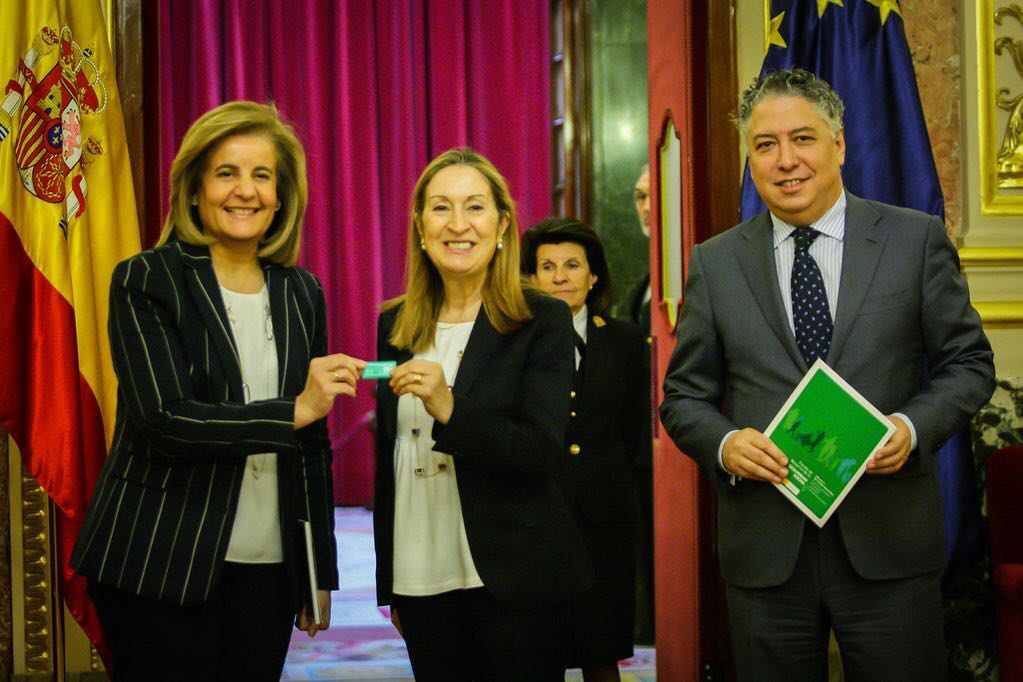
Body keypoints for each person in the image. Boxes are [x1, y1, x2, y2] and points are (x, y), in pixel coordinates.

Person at [659, 68, 995, 681]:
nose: (785, 160)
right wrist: (727, 444)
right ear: (751, 158)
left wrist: (911, 429)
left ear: (839, 144)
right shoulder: (716, 261)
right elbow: (683, 396)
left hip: (888, 543)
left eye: (802, 139)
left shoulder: (913, 240)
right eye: (765, 144)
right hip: (767, 552)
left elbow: (969, 364)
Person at [71, 101, 364, 681]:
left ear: (281, 197)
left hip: (269, 568)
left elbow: (311, 445)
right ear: (195, 189)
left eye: (262, 175)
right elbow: (167, 421)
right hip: (159, 558)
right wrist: (294, 410)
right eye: (226, 173)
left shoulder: (302, 292)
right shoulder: (146, 280)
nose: (245, 191)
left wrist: (316, 570)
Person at [374, 148, 594, 681]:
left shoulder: (540, 317)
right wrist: (390, 583)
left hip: (513, 574)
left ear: (501, 225)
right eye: (440, 207)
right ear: (420, 227)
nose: (458, 224)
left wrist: (449, 408)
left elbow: (540, 451)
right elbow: (390, 461)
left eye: (474, 207)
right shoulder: (395, 324)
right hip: (419, 572)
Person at [521, 218, 646, 681]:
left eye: (572, 265)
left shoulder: (626, 340)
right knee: (537, 651)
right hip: (535, 514)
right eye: (547, 266)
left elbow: (633, 429)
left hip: (604, 516)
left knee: (600, 650)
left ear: (593, 276)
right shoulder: (512, 340)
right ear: (531, 278)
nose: (560, 277)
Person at [624, 162, 656, 645]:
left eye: (653, 194)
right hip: (642, 446)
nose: (646, 206)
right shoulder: (644, 282)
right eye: (638, 197)